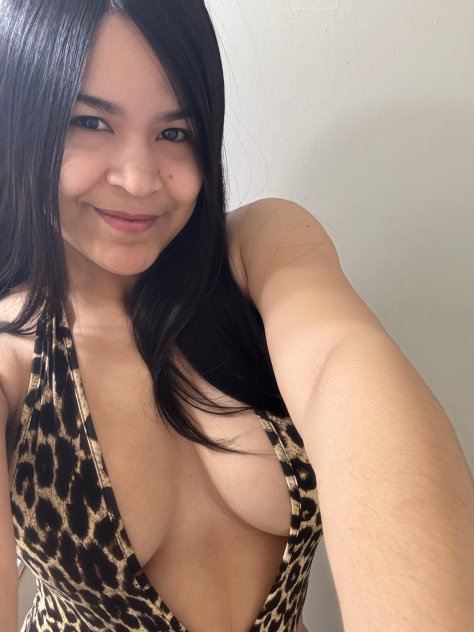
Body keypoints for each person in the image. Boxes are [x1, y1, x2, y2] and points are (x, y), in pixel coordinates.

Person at [0, 2, 472, 632]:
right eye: (90, 121)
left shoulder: (257, 253)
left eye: (175, 132)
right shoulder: (12, 359)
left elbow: (341, 367)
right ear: (22, 123)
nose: (139, 179)